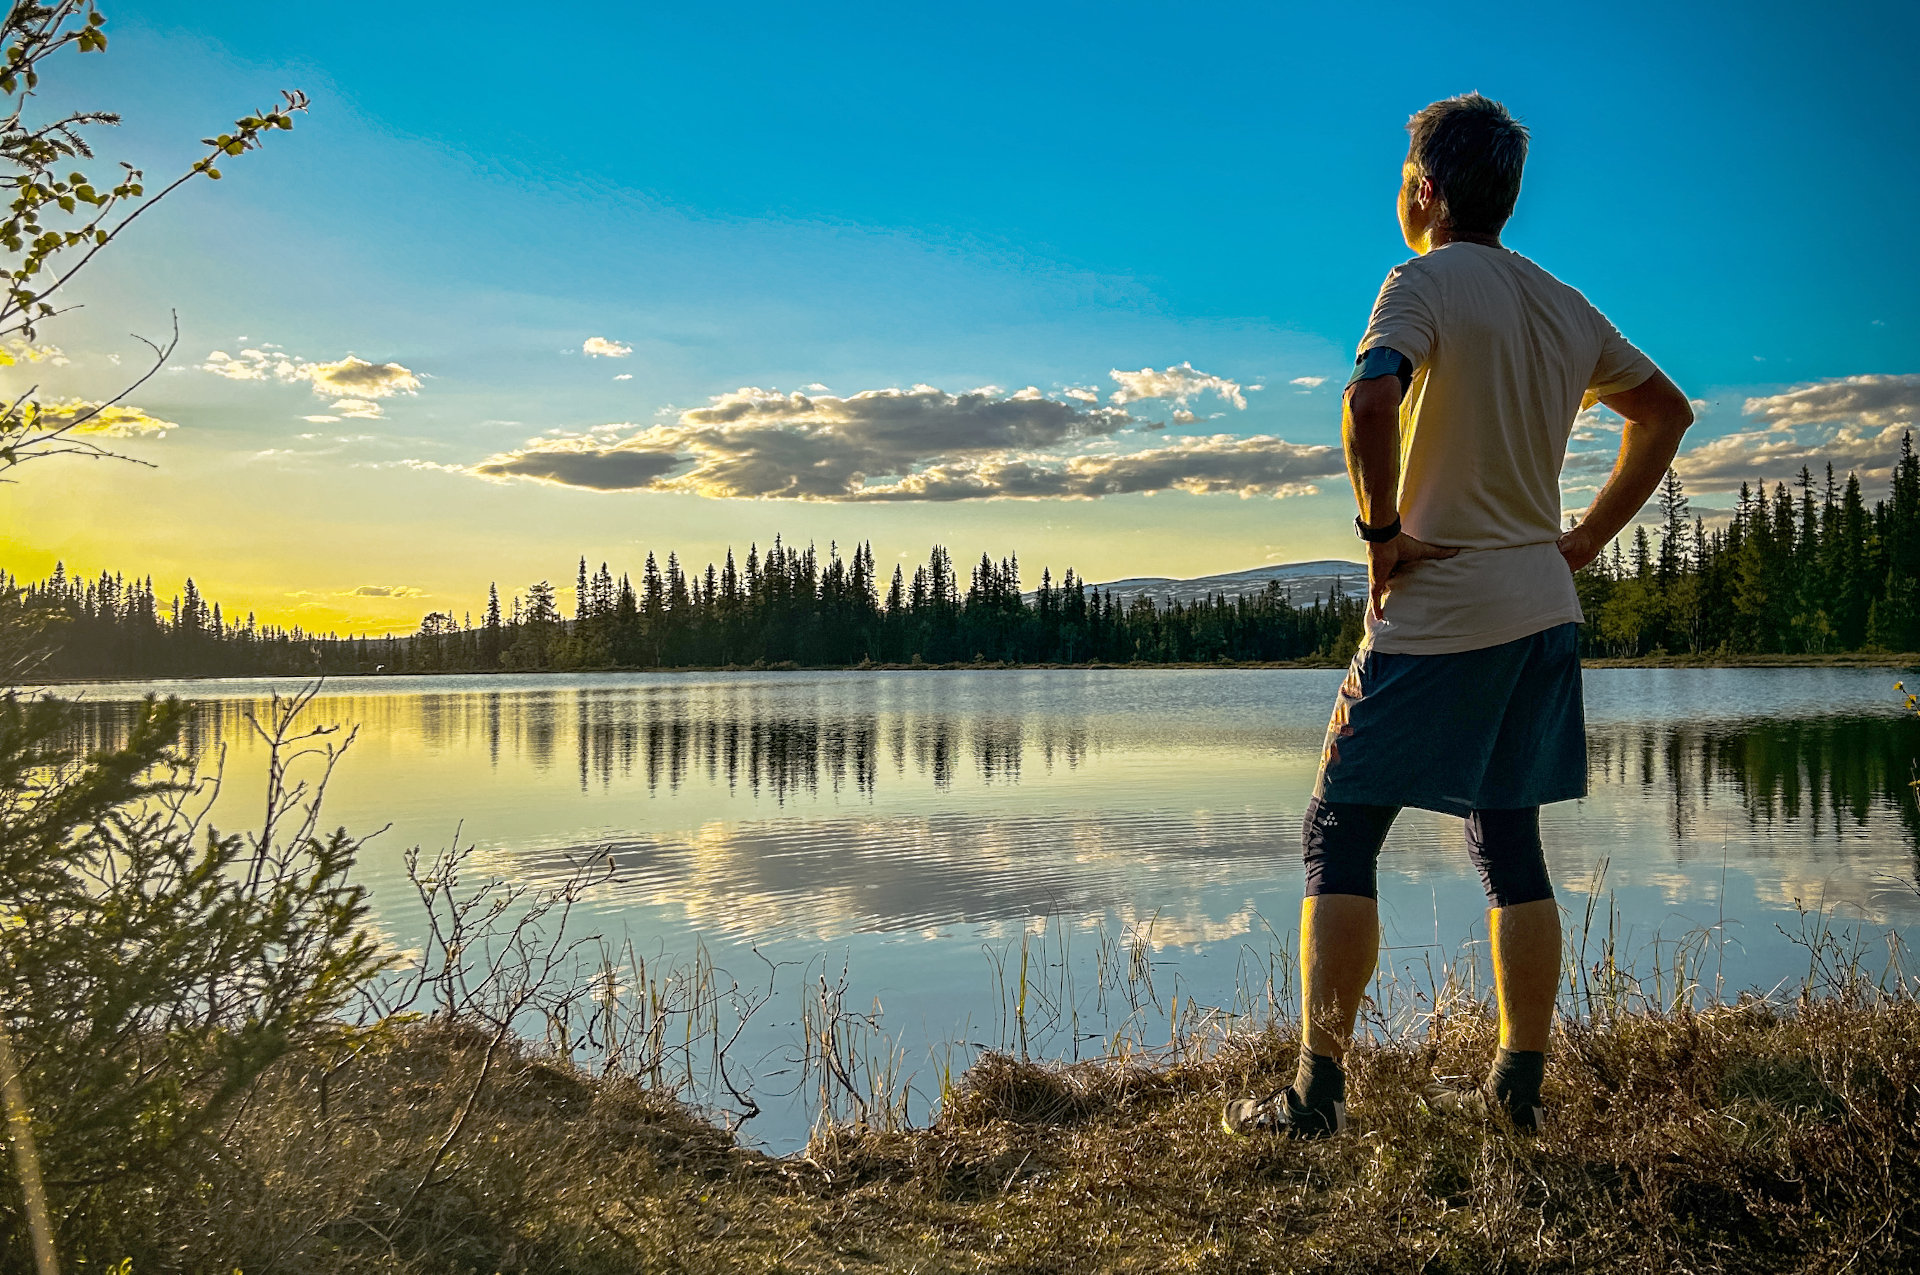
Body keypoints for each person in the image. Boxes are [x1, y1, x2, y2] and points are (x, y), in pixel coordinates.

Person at [1226, 92, 1694, 1138]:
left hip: (1442, 608)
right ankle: (1516, 1090)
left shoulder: (1421, 281)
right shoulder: (1565, 304)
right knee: (1507, 836)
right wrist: (1584, 540)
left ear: (1427, 191)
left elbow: (1370, 398)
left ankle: (1314, 1096)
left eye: (1406, 180)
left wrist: (1380, 531)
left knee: (1339, 829)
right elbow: (1666, 413)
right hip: (1541, 607)